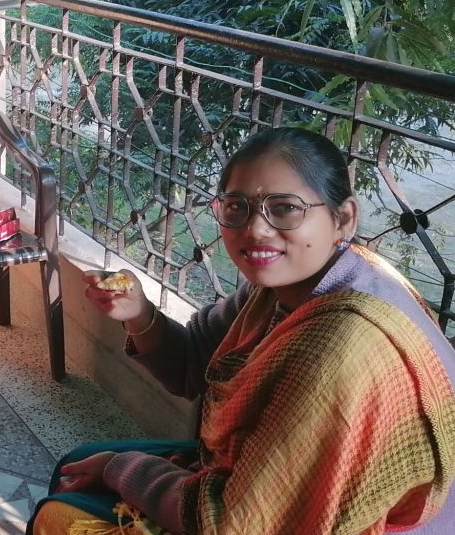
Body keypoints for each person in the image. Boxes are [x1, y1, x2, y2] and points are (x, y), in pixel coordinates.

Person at [29, 127, 455, 535]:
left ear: (343, 218)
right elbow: (191, 364)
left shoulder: (341, 346)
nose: (255, 229)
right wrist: (139, 313)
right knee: (76, 464)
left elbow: (233, 524)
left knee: (61, 516)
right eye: (237, 207)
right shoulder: (281, 287)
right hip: (249, 484)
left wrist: (119, 468)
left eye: (284, 208)